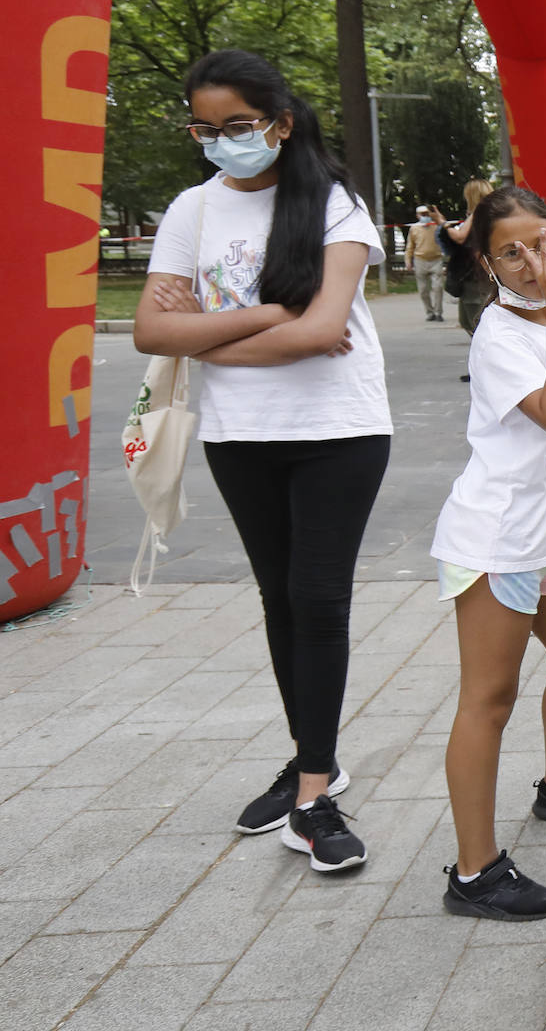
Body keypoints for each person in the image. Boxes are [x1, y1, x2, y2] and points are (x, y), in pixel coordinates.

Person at [134, 49, 393, 873]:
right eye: (204, 129)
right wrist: (274, 314)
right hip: (238, 437)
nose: (221, 142)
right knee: (280, 599)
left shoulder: (333, 204)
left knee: (319, 599)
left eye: (238, 127)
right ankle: (309, 756)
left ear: (279, 124)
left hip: (339, 428)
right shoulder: (191, 210)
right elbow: (150, 332)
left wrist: (216, 333)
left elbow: (324, 334)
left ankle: (315, 795)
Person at [430, 187, 546, 921]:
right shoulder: (501, 335)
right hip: (497, 541)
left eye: (544, 244)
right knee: (488, 699)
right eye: (512, 252)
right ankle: (474, 872)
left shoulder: (542, 319)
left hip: (544, 537)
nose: (535, 263)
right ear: (484, 261)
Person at [434, 178, 497, 346]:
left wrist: (443, 224)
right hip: (479, 272)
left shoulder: (479, 212)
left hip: (475, 275)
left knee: (474, 319)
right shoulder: (492, 212)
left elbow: (460, 237)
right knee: (470, 319)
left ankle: (484, 363)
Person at [405, 204, 444, 321]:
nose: (425, 216)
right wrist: (408, 260)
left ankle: (438, 312)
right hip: (420, 260)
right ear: (418, 216)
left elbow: (445, 225)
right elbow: (410, 246)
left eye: (427, 214)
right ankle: (429, 312)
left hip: (436, 259)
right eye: (422, 214)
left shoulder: (436, 226)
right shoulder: (414, 228)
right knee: (423, 290)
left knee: (438, 287)